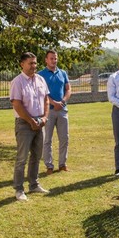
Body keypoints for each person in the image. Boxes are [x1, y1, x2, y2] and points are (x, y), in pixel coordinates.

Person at [10, 52, 50, 201]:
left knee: (37, 156)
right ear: (22, 64)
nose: (34, 66)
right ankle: (19, 189)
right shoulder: (17, 82)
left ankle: (34, 184)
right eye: (30, 63)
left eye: (35, 63)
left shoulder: (40, 80)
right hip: (24, 124)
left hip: (40, 122)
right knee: (22, 158)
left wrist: (45, 117)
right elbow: (17, 105)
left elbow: (46, 99)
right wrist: (30, 121)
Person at [38, 50, 71, 174]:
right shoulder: (40, 75)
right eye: (51, 58)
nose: (54, 60)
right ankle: (49, 166)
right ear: (46, 60)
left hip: (62, 110)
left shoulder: (62, 73)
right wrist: (53, 103)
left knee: (64, 138)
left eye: (55, 58)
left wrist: (62, 102)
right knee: (47, 140)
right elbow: (41, 94)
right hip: (48, 112)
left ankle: (62, 164)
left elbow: (68, 89)